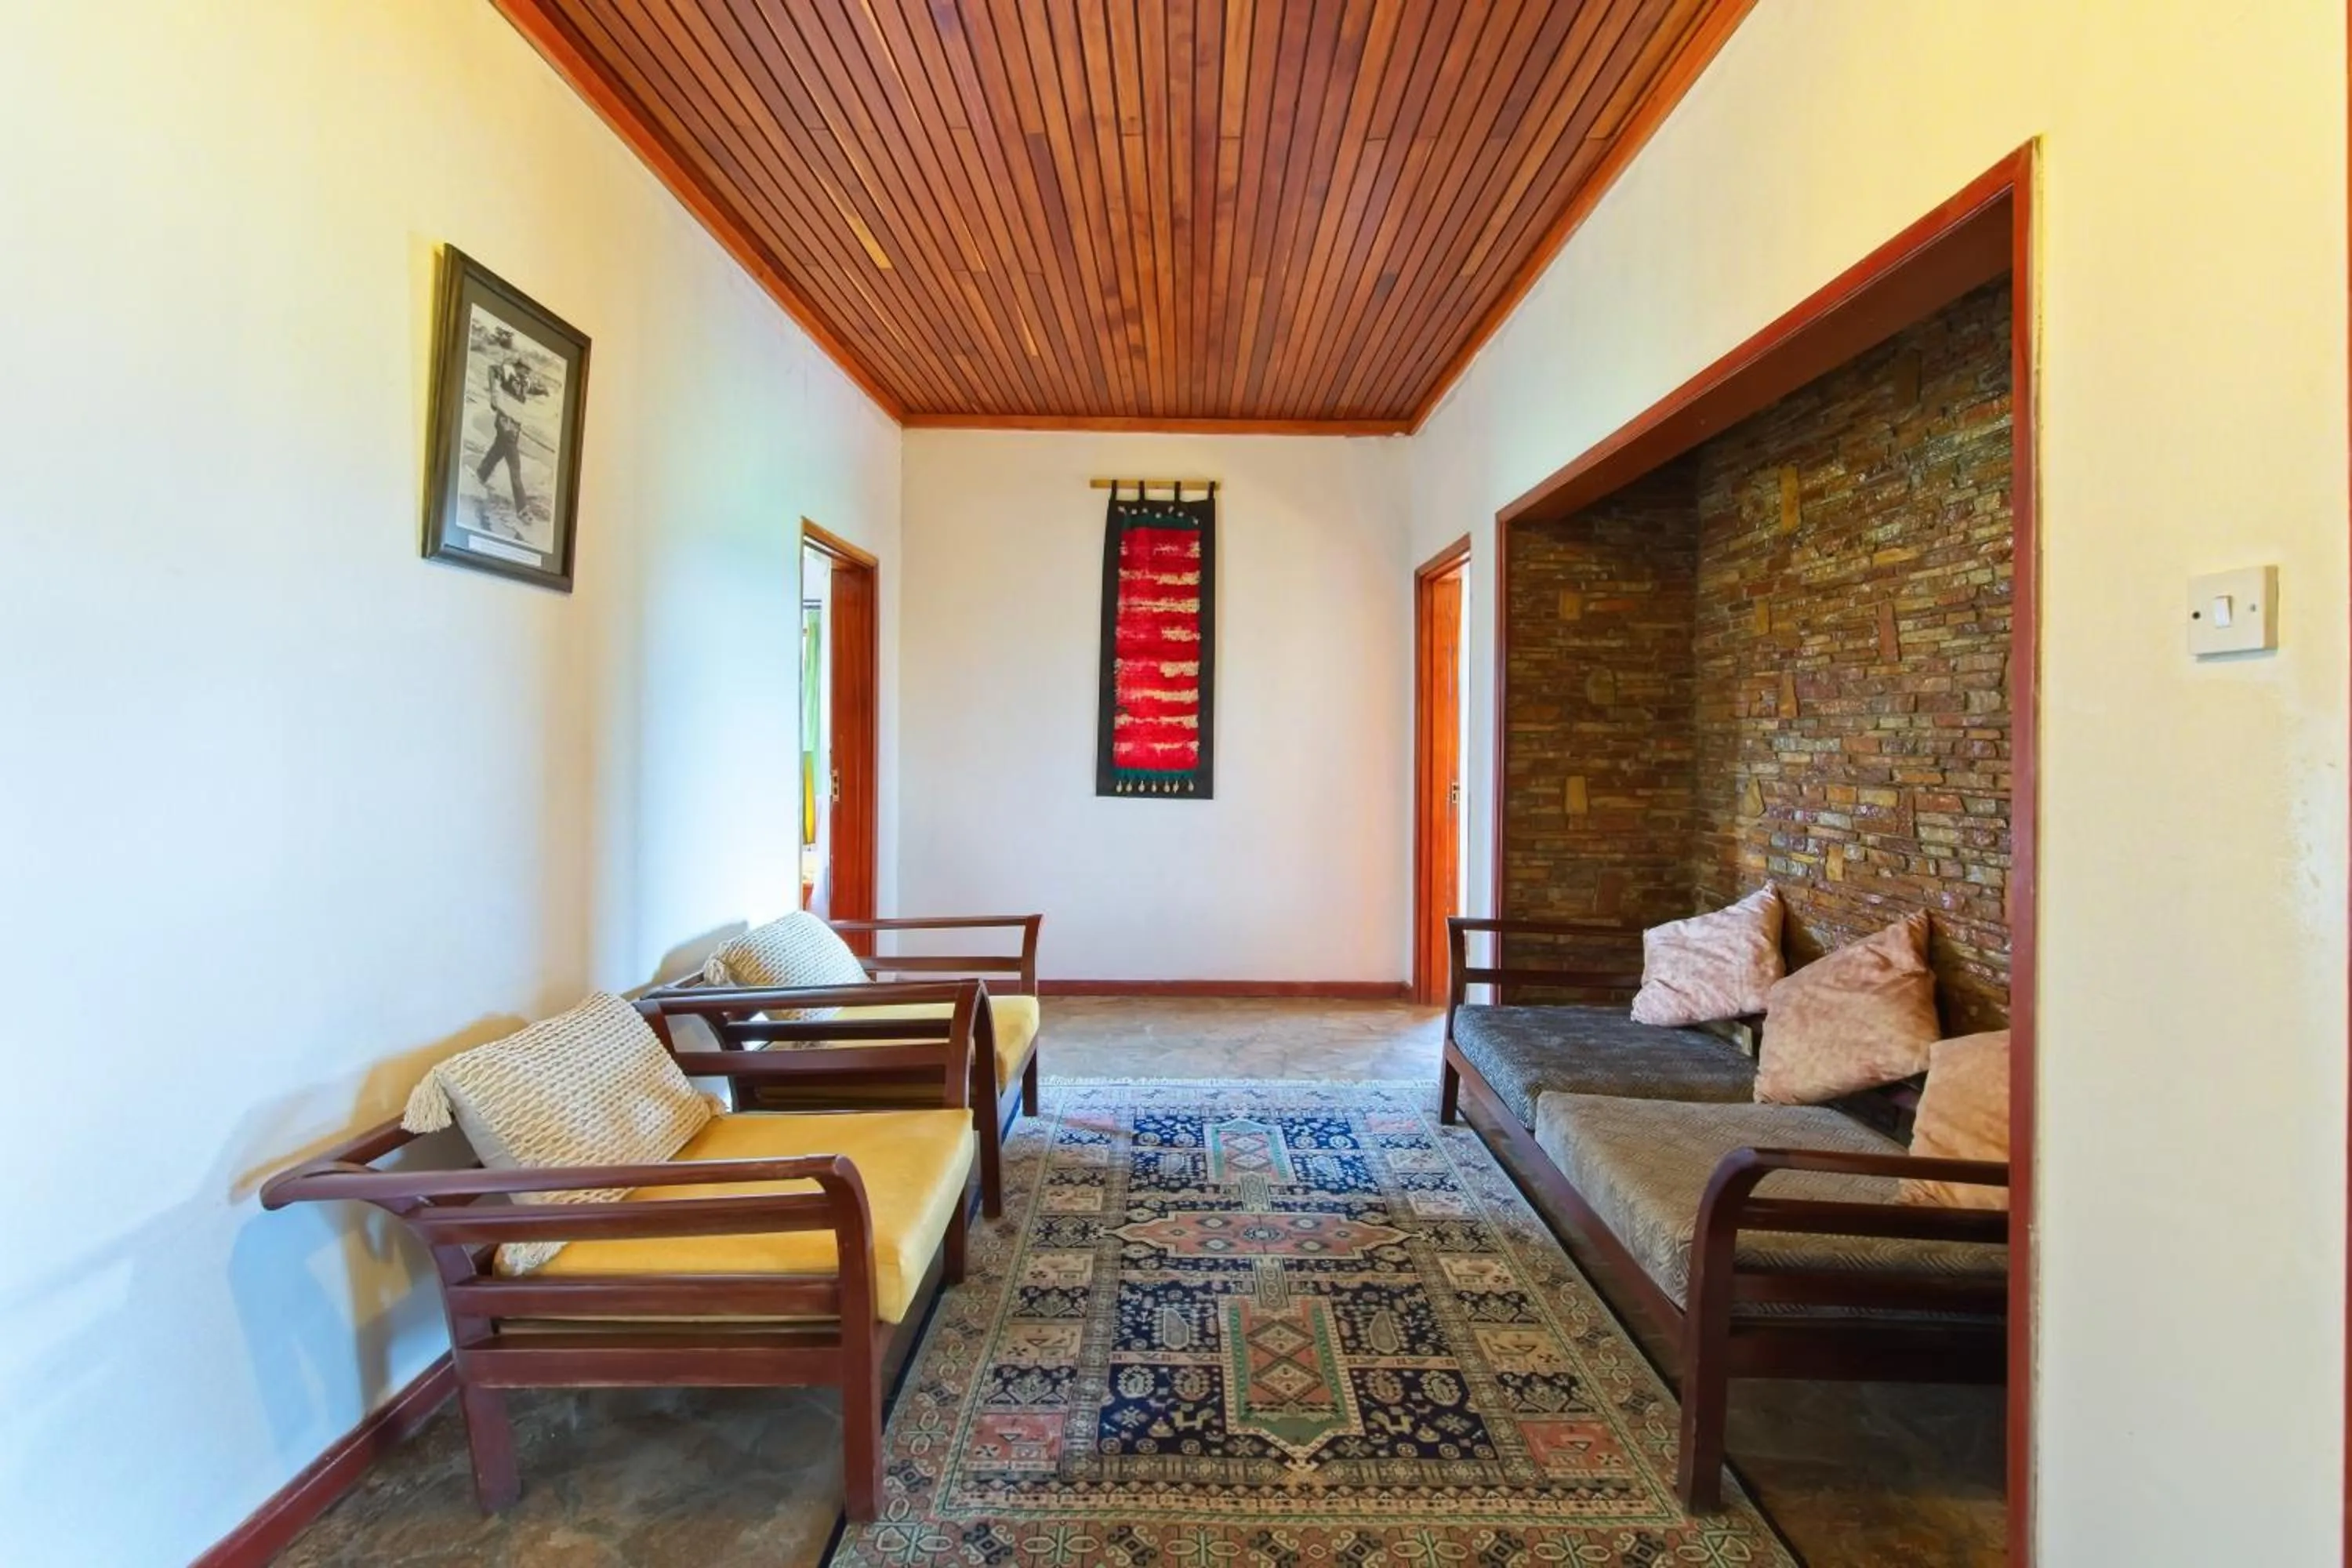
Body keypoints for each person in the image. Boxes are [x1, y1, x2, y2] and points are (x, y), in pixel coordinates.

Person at [474, 358, 529, 528]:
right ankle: (523, 509)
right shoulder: (508, 371)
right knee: (515, 468)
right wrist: (492, 394)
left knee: (498, 450)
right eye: (526, 369)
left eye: (528, 370)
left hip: (514, 428)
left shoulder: (524, 382)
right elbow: (491, 369)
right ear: (518, 367)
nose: (528, 372)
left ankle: (481, 475)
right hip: (506, 424)